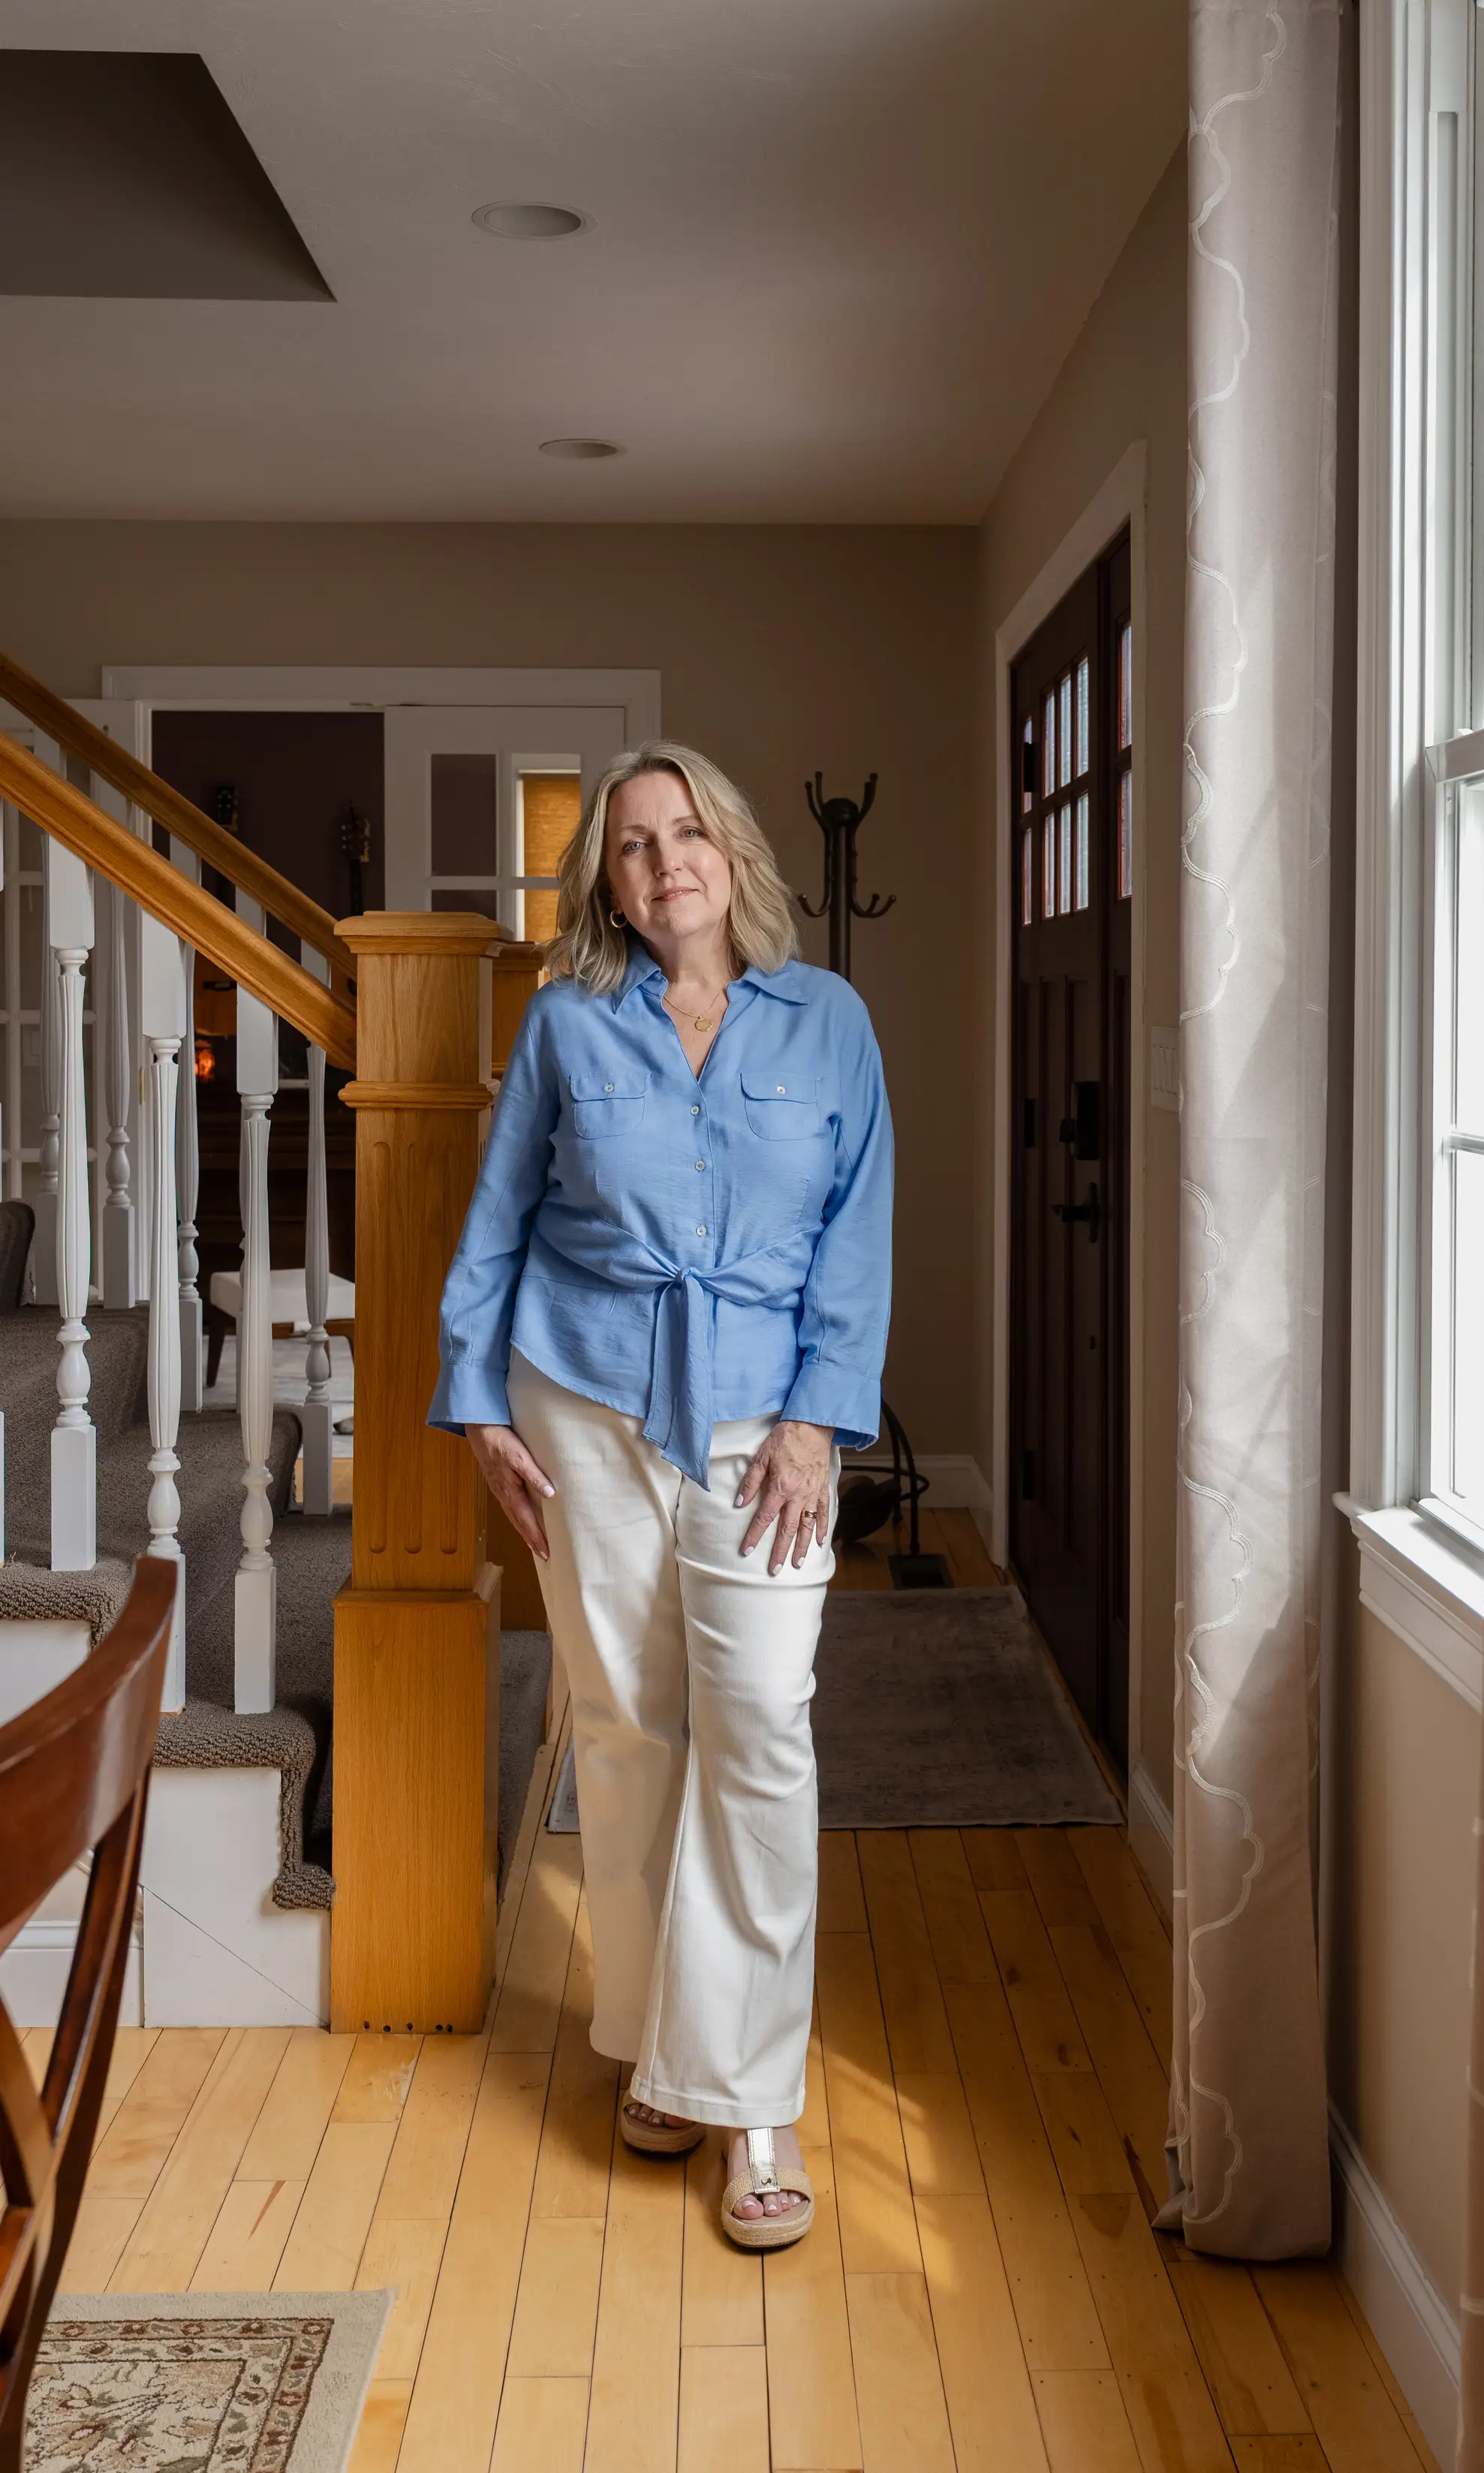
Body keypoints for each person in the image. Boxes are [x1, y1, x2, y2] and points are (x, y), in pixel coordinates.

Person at [429, 740, 893, 2249]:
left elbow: (858, 1238)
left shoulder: (830, 1024)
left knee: (756, 1721)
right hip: (583, 1398)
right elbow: (499, 1219)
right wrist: (476, 1402)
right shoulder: (568, 1024)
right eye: (631, 845)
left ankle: (752, 2092)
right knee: (630, 1723)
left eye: (685, 831)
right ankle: (658, 2052)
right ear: (605, 882)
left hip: (765, 1413)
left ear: (732, 850)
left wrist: (823, 1422)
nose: (663, 861)